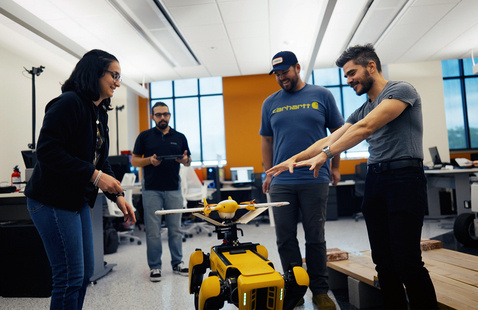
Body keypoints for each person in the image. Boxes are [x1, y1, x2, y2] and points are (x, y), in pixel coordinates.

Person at [268, 44, 439, 309]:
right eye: (346, 76)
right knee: (383, 260)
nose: (348, 81)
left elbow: (365, 127)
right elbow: (330, 136)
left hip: (404, 179)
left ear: (371, 66)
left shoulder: (400, 91)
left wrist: (326, 155)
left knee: (406, 259)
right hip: (376, 181)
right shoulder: (361, 109)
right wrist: (294, 159)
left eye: (351, 73)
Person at [24, 49, 136, 310]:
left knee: (84, 276)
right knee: (68, 278)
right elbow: (48, 151)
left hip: (76, 201)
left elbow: (99, 160)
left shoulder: (99, 112)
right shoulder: (68, 103)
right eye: (114, 75)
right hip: (51, 201)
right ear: (95, 72)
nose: (118, 82)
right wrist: (95, 176)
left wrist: (117, 194)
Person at [260, 51, 343, 309]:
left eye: (285, 71)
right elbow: (266, 139)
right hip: (282, 181)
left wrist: (336, 166)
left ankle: (320, 290)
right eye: (277, 73)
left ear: (297, 68)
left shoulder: (322, 95)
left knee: (315, 236)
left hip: (315, 176)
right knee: (285, 238)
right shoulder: (270, 103)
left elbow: (339, 133)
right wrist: (268, 172)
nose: (281, 77)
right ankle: (295, 290)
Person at [132, 102, 191, 282]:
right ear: (152, 117)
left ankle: (177, 263)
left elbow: (188, 161)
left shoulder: (179, 137)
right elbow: (134, 161)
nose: (162, 118)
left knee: (175, 229)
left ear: (169, 116)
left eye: (165, 114)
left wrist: (184, 160)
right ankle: (155, 267)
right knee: (153, 231)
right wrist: (149, 160)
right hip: (152, 190)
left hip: (173, 188)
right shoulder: (144, 137)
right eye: (158, 115)